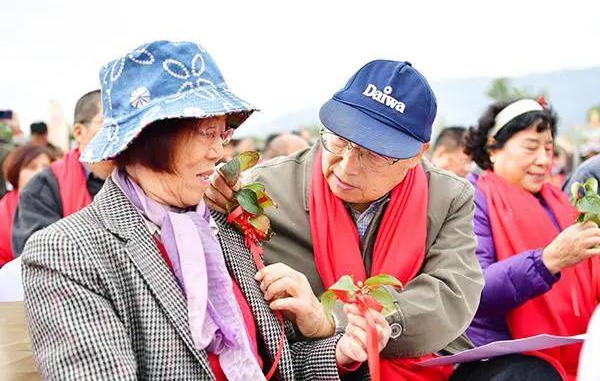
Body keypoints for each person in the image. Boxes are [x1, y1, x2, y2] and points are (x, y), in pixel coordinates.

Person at [22, 40, 389, 381]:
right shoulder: (68, 251)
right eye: (205, 133)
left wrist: (338, 354)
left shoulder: (222, 227)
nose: (219, 153)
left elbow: (271, 364)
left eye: (222, 134)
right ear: (149, 135)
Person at [207, 60, 484, 380]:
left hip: (423, 365)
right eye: (339, 141)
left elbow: (450, 297)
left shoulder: (449, 197)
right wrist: (209, 203)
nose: (346, 167)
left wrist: (333, 321)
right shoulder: (264, 190)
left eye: (373, 154)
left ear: (417, 154)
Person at [456, 99, 600, 381]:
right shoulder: (470, 200)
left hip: (571, 346)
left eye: (548, 148)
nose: (544, 160)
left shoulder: (561, 201)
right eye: (531, 147)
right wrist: (547, 261)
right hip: (494, 358)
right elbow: (472, 291)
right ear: (493, 149)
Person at [11, 90, 115, 256]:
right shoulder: (41, 189)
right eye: (110, 122)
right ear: (79, 132)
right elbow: (39, 259)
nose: (122, 132)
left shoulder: (147, 178)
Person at [0, 144, 50, 267]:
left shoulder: (57, 201)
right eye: (32, 167)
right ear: (16, 172)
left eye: (46, 167)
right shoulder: (3, 209)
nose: (41, 173)